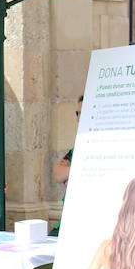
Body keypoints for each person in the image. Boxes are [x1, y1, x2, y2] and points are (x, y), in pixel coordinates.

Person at [50, 95, 83, 237]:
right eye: (77, 113)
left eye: (82, 112)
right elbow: (57, 173)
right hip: (65, 222)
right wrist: (83, 170)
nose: (79, 118)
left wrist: (69, 174)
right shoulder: (78, 147)